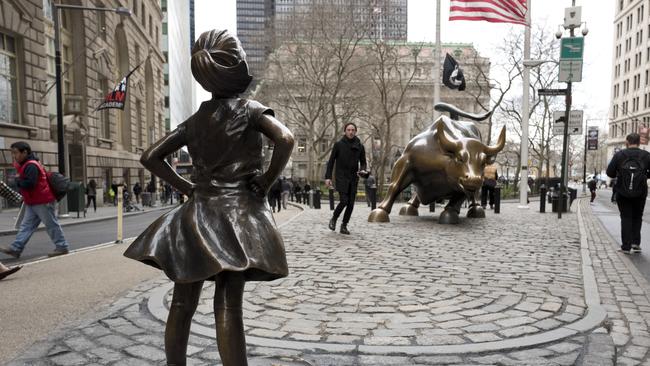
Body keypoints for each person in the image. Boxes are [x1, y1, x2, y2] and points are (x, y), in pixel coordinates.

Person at [123, 29, 294, 366]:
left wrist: (186, 187)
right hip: (237, 218)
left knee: (182, 301)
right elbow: (286, 139)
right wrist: (267, 180)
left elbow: (149, 157)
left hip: (196, 217)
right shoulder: (250, 110)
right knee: (228, 303)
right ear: (237, 66)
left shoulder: (196, 121)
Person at [0, 142, 70, 258]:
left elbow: (30, 184)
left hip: (42, 201)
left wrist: (17, 181)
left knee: (51, 224)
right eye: (12, 153)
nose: (14, 156)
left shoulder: (31, 165)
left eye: (15, 153)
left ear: (25, 152)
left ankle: (62, 247)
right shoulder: (27, 164)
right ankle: (16, 248)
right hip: (33, 201)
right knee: (26, 226)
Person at [607, 133, 650, 254]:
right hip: (640, 191)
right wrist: (644, 176)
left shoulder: (619, 155)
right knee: (637, 216)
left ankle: (626, 246)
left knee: (625, 217)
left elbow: (610, 172)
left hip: (622, 191)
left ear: (627, 142)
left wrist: (620, 174)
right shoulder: (646, 156)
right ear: (639, 142)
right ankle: (636, 243)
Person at [325, 122, 367, 235]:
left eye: (353, 130)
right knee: (344, 201)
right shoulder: (338, 144)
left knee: (351, 203)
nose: (351, 132)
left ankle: (344, 225)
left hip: (353, 177)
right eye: (348, 130)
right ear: (345, 131)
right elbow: (331, 161)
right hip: (341, 176)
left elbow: (363, 162)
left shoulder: (360, 146)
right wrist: (328, 177)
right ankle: (334, 218)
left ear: (355, 131)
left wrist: (363, 170)